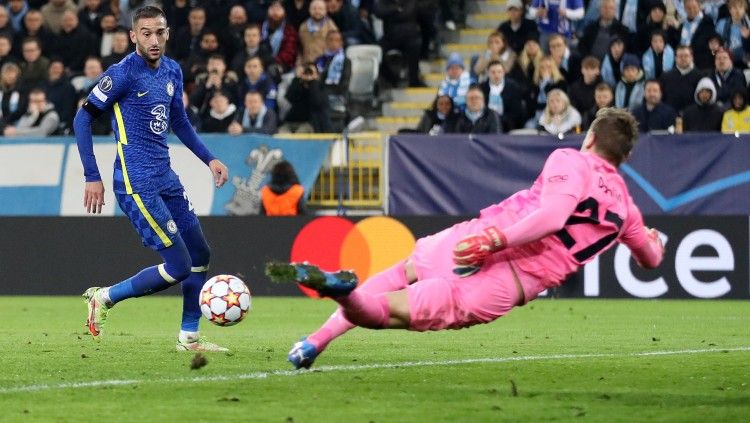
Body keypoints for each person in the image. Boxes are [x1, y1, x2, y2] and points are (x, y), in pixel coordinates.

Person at [267, 107, 664, 369]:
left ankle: (320, 333)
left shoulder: (571, 158)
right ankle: (338, 302)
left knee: (400, 272)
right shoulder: (627, 208)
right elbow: (649, 259)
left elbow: (552, 213)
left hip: (481, 235)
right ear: (624, 157)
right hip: (508, 279)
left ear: (591, 137)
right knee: (388, 312)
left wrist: (494, 238)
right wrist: (654, 243)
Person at [72, 6, 230, 352]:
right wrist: (91, 175)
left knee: (201, 252)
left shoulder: (172, 70)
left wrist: (210, 159)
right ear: (133, 36)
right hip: (135, 181)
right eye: (146, 33)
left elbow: (181, 123)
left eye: (159, 32)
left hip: (165, 176)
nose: (154, 40)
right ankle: (105, 297)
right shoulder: (122, 74)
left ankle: (189, 337)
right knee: (179, 265)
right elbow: (82, 120)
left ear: (168, 33)